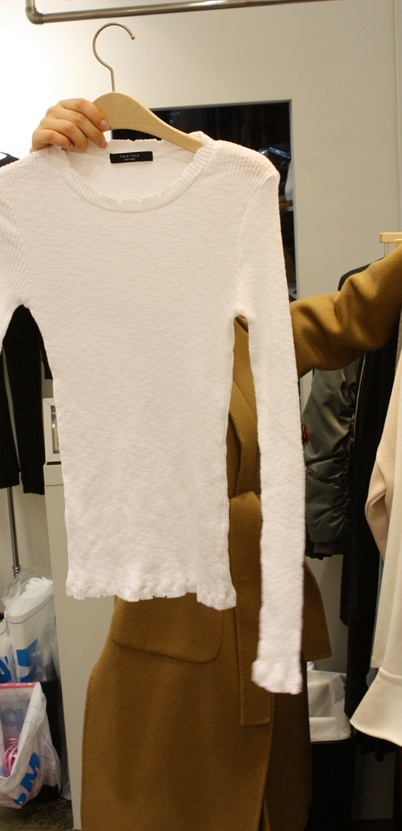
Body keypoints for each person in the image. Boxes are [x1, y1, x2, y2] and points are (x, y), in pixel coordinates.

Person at [31, 99, 402, 831]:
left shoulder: (242, 327)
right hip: (170, 663)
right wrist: (50, 182)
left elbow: (347, 316)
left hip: (259, 643)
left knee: (266, 805)